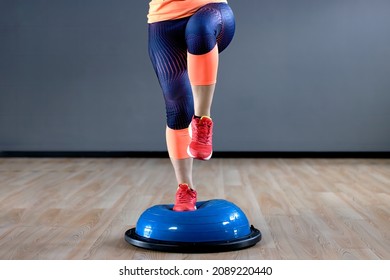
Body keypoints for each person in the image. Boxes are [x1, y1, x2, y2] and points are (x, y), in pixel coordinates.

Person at [147, 0, 235, 211]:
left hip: (211, 13)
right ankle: (185, 189)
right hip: (164, 22)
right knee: (176, 107)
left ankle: (202, 120)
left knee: (200, 28)